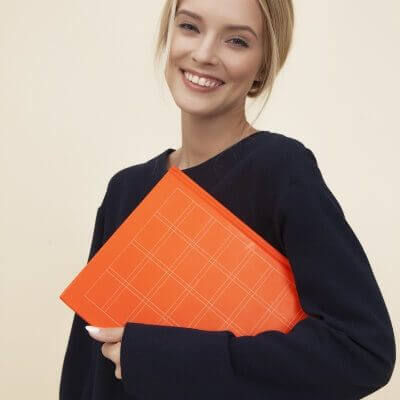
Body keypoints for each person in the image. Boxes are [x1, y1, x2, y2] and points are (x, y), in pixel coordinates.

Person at [59, 0, 396, 399]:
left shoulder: (280, 171)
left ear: (264, 65)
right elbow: (86, 370)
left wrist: (161, 358)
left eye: (237, 41)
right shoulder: (125, 190)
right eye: (189, 27)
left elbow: (362, 350)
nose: (203, 54)